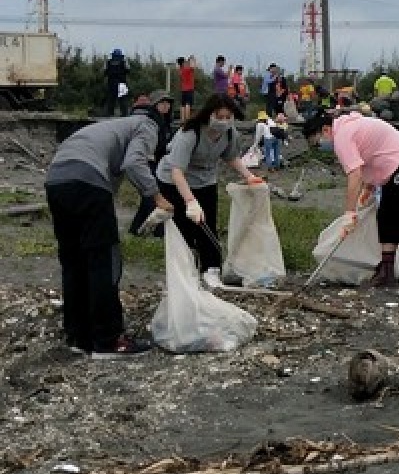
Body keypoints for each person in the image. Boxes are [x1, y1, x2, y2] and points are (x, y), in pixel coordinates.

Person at [45, 110, 174, 357]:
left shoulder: (109, 129)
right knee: (102, 260)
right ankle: (109, 340)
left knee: (73, 261)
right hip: (86, 180)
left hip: (56, 181)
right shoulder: (147, 125)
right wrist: (157, 197)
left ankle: (78, 336)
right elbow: (134, 163)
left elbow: (110, 178)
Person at [303, 108, 399, 291]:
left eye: (318, 143)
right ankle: (386, 271)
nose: (321, 147)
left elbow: (354, 174)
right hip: (393, 170)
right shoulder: (351, 128)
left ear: (326, 130)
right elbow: (371, 155)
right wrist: (369, 186)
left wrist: (349, 214)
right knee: (386, 218)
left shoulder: (342, 136)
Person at [157, 94, 260, 286]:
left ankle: (210, 269)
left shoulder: (230, 134)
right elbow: (177, 171)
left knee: (207, 223)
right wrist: (190, 201)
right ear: (209, 114)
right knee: (183, 226)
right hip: (175, 180)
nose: (223, 121)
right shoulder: (190, 134)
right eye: (219, 117)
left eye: (228, 117)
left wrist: (249, 176)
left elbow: (231, 157)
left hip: (205, 179)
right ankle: (183, 270)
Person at [128, 91, 176, 236]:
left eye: (168, 103)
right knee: (153, 197)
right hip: (148, 161)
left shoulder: (166, 121)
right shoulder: (150, 121)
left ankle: (136, 230)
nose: (166, 106)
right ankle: (159, 232)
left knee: (147, 199)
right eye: (162, 103)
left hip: (160, 162)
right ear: (155, 104)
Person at [104, 48, 130, 117]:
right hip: (122, 83)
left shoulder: (108, 62)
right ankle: (124, 114)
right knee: (123, 99)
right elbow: (128, 70)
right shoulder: (124, 62)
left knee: (111, 99)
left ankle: (109, 113)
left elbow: (105, 72)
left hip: (111, 83)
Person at [177, 56, 196, 122]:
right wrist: (192, 59)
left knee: (183, 105)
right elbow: (193, 66)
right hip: (189, 89)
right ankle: (187, 119)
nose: (186, 62)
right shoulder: (187, 69)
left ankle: (182, 119)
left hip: (183, 89)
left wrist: (188, 61)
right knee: (188, 104)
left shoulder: (180, 70)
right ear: (182, 63)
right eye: (184, 61)